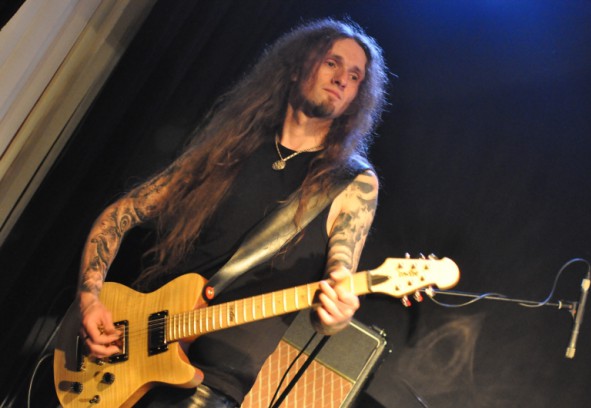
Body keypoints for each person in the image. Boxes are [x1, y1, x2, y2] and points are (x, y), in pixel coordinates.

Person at [77, 18, 388, 407]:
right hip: (129, 350)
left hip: (212, 383)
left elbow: (339, 276)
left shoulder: (351, 182)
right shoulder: (231, 146)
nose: (342, 79)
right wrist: (89, 299)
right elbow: (119, 216)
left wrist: (336, 315)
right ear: (296, 68)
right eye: (332, 63)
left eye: (355, 76)